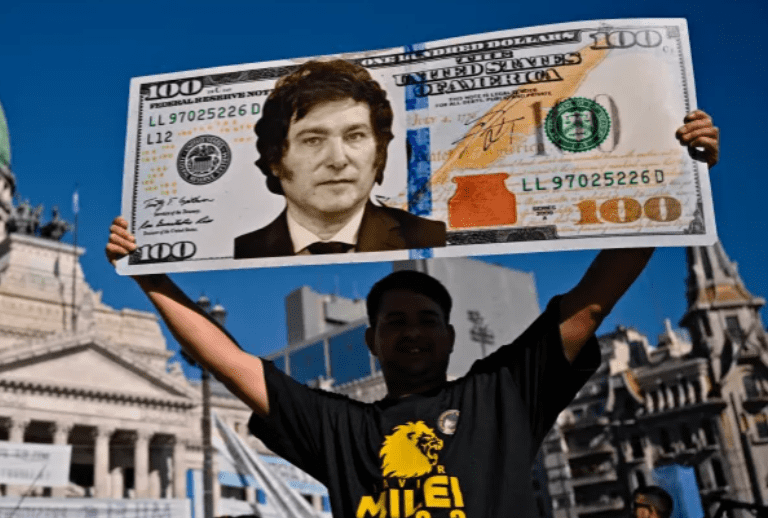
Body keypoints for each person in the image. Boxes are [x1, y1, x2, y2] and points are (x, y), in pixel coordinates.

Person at [108, 111, 718, 518]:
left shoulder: (501, 396)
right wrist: (148, 275)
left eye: (426, 320)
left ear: (452, 336)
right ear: (372, 341)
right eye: (395, 323)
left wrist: (675, 179)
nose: (413, 332)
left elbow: (592, 298)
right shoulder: (343, 430)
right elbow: (230, 363)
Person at [233, 59, 446, 259]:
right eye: (313, 140)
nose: (338, 160)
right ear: (275, 160)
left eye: (354, 136)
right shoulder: (243, 250)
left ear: (379, 152)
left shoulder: (432, 237)